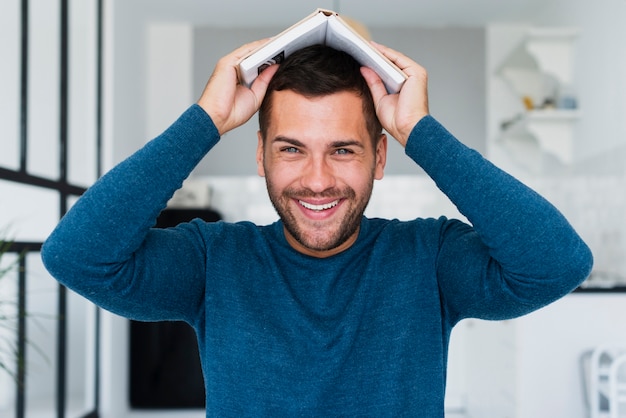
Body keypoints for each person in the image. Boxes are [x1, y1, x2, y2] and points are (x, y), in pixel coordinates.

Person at [41, 39, 593, 416]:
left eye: (343, 150)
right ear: (261, 156)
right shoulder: (213, 261)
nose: (317, 179)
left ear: (380, 158)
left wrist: (421, 131)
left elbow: (556, 264)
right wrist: (205, 121)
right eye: (291, 149)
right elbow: (77, 256)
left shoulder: (429, 257)